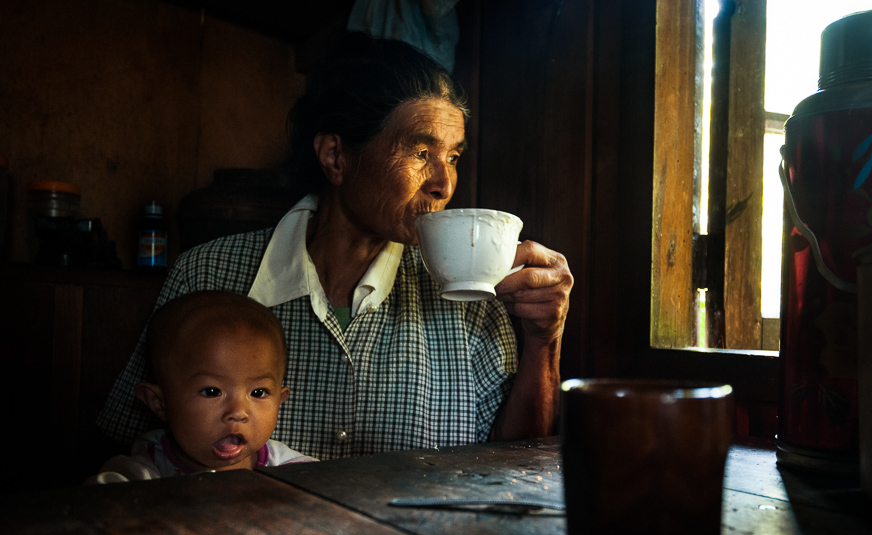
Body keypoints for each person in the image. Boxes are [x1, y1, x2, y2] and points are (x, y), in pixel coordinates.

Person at [97, 32, 573, 461]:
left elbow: (516, 466)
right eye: (421, 152)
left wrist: (543, 340)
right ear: (335, 156)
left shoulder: (472, 295)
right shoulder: (208, 275)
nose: (444, 182)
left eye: (453, 156)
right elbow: (133, 454)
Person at [89, 291, 316, 483]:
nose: (237, 412)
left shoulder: (290, 470)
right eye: (211, 391)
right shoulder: (144, 472)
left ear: (280, 399)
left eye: (258, 393)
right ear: (159, 403)